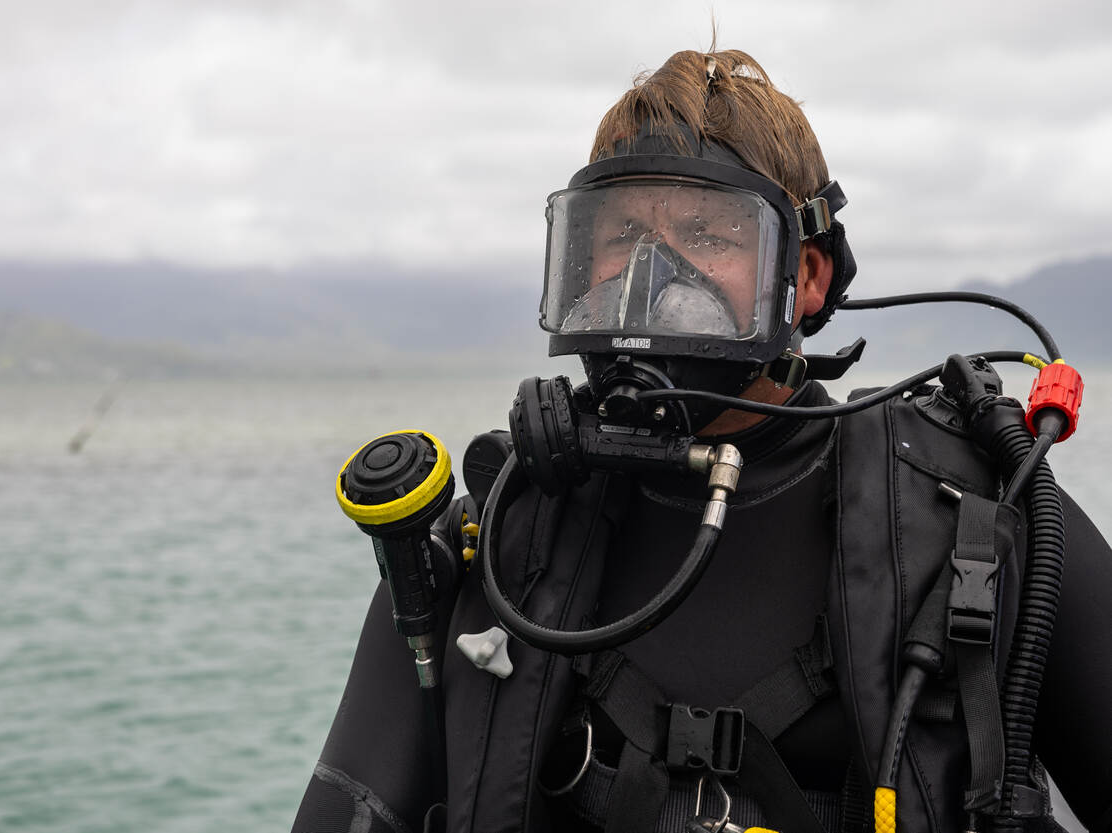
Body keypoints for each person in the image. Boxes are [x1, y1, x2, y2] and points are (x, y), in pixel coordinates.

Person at [295, 48, 1112, 833]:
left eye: (708, 233)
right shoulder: (496, 544)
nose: (649, 274)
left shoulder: (983, 522)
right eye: (619, 236)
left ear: (808, 276)